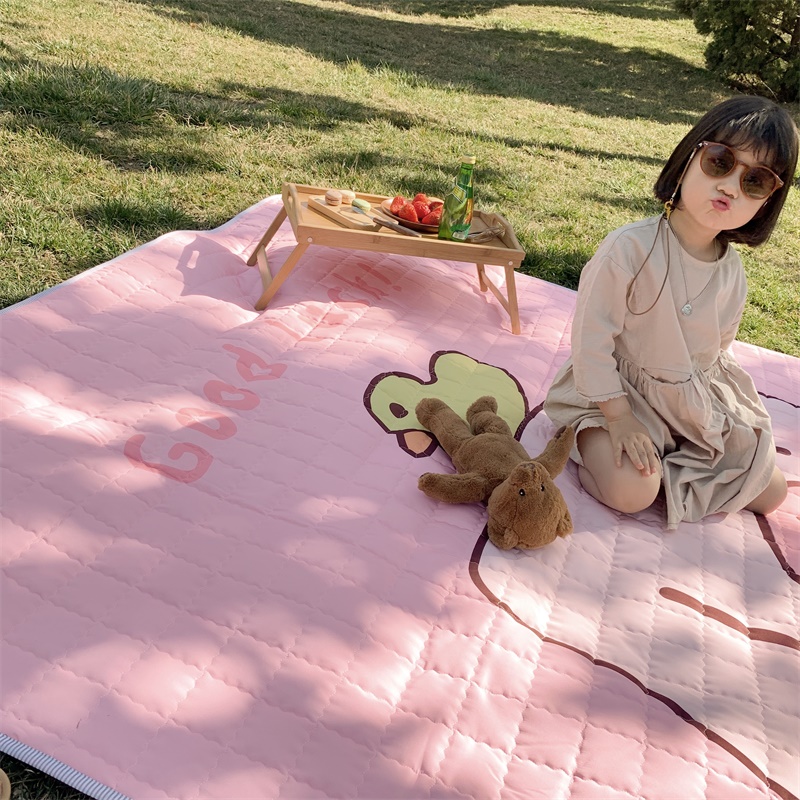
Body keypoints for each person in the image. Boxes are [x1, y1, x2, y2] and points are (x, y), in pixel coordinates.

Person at [544, 96, 799, 528]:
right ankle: (589, 451)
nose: (730, 187)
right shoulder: (629, 248)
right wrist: (620, 419)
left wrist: (711, 419)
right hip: (616, 397)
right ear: (687, 158)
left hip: (687, 410)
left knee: (771, 492)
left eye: (755, 181)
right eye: (720, 162)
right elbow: (591, 342)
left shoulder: (731, 272)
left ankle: (673, 459)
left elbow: (715, 354)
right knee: (632, 491)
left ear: (767, 201)